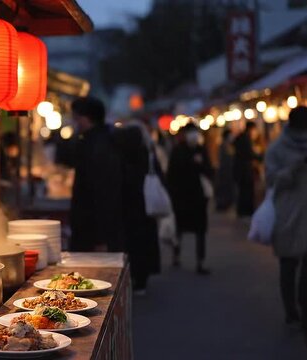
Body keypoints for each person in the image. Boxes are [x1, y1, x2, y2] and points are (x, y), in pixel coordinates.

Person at [265, 106, 307, 331]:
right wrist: (294, 167)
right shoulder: (277, 149)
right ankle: (291, 310)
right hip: (288, 212)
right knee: (289, 264)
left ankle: (304, 306)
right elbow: (272, 179)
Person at [69, 97, 124, 252]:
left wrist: (101, 238)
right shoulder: (97, 140)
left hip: (93, 231)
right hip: (92, 228)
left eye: (76, 117)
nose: (74, 122)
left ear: (86, 118)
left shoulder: (98, 146)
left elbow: (103, 193)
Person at [115, 121, 162, 295]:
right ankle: (142, 279)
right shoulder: (148, 153)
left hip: (128, 206)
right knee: (145, 242)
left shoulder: (122, 156)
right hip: (146, 206)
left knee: (131, 243)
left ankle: (133, 277)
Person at [166, 124, 214, 274]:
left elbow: (209, 170)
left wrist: (201, 164)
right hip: (181, 197)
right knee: (179, 228)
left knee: (200, 229)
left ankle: (200, 261)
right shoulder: (178, 151)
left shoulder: (201, 150)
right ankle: (176, 254)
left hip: (198, 197)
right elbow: (172, 174)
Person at [233, 121, 262, 217]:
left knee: (243, 191)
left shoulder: (241, 138)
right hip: (244, 170)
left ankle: (243, 211)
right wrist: (260, 157)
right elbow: (248, 154)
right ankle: (245, 211)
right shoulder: (245, 138)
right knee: (246, 191)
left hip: (241, 169)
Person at [215, 128, 236, 211]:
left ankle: (225, 203)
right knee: (224, 188)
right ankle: (223, 204)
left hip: (228, 170)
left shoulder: (228, 145)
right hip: (225, 171)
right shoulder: (223, 145)